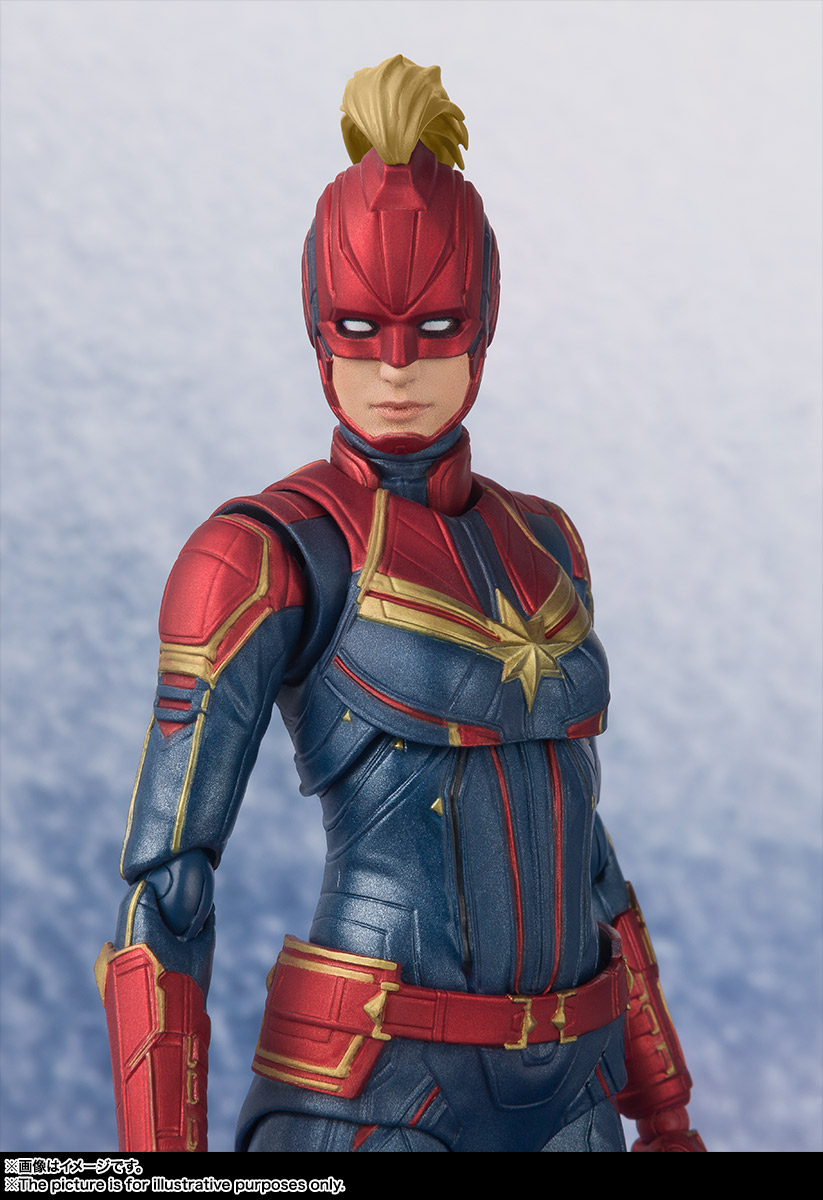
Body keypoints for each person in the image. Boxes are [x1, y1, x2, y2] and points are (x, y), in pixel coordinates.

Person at [96, 55, 705, 1153]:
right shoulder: (264, 553)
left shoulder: (545, 544)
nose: (393, 369)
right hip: (373, 1093)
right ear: (314, 325)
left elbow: (586, 854)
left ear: (483, 323)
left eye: (431, 329)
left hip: (571, 1091)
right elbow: (167, 892)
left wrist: (662, 1111)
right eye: (357, 327)